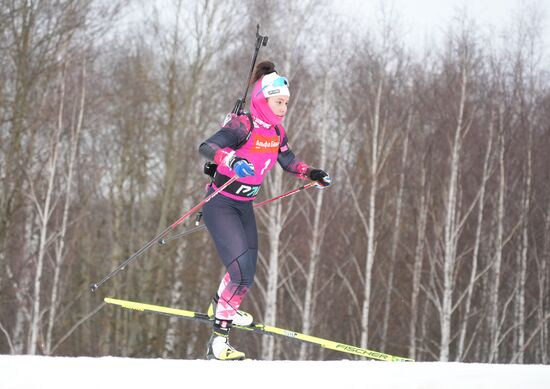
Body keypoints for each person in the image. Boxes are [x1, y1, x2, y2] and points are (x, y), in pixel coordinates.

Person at [198, 61, 331, 360]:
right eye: (278, 102)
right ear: (263, 99)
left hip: (244, 206)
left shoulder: (276, 132)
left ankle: (221, 303)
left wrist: (312, 173)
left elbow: (289, 162)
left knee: (246, 274)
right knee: (241, 273)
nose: (283, 108)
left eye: (286, 102)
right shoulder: (242, 125)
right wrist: (231, 160)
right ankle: (219, 340)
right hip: (220, 204)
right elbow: (207, 147)